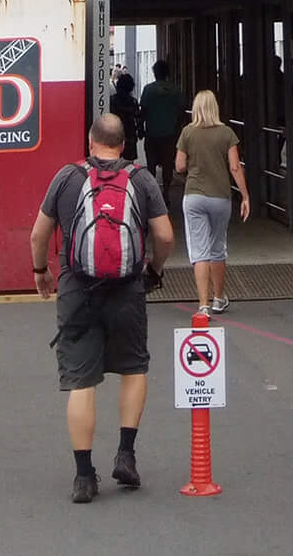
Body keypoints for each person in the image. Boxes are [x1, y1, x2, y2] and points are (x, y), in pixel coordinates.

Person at [29, 111, 174, 501]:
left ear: (90, 142)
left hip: (78, 290)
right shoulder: (141, 179)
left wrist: (41, 271)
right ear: (124, 145)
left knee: (82, 381)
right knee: (133, 368)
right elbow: (164, 235)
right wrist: (154, 270)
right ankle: (126, 454)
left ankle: (83, 476)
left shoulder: (67, 177)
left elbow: (39, 234)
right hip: (127, 289)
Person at [174, 88, 252, 314]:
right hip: (220, 197)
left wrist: (194, 164)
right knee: (218, 248)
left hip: (194, 196)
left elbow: (179, 166)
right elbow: (235, 167)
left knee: (200, 252)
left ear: (196, 109)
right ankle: (218, 298)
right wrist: (245, 196)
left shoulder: (187, 132)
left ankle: (203, 305)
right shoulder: (227, 133)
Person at [140, 58, 185, 189]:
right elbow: (181, 112)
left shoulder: (148, 89)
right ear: (167, 73)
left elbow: (143, 112)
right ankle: (166, 191)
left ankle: (151, 191)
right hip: (170, 134)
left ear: (155, 73)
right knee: (168, 164)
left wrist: (140, 129)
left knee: (151, 165)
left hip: (152, 133)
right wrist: (177, 130)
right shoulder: (175, 90)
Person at [109, 67, 143, 166]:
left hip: (114, 134)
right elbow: (138, 118)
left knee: (114, 162)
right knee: (128, 165)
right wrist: (140, 131)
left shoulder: (111, 101)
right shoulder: (133, 102)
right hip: (129, 136)